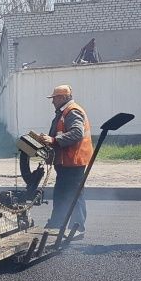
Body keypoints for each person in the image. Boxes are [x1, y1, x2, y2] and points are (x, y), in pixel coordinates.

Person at [40, 85, 93, 238]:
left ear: (63, 97)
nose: (52, 102)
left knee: (74, 194)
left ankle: (78, 227)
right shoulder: (64, 112)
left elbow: (77, 132)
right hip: (66, 162)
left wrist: (54, 140)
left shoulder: (72, 111)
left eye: (54, 98)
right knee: (61, 194)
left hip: (74, 161)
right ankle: (57, 224)